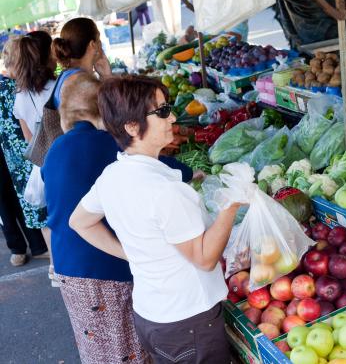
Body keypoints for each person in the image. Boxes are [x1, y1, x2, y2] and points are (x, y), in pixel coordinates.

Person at [70, 75, 240, 364]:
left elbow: (80, 221)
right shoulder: (164, 191)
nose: (172, 116)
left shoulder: (112, 176)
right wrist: (232, 202)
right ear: (132, 126)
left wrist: (133, 254)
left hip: (152, 316)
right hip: (188, 322)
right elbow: (204, 258)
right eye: (161, 111)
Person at [42, 73, 198, 363]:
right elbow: (163, 165)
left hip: (66, 265)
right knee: (125, 348)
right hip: (102, 266)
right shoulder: (105, 144)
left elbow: (51, 208)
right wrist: (129, 253)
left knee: (96, 345)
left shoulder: (56, 149)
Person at [11, 30, 57, 275]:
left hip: (42, 163)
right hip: (66, 159)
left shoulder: (20, 96)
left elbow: (29, 139)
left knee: (47, 215)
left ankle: (54, 266)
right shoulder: (58, 87)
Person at [0, 37, 48, 266]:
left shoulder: (16, 86)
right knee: (7, 198)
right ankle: (18, 247)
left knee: (30, 195)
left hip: (23, 150)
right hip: (17, 150)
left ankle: (39, 246)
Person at [51, 17, 112, 112]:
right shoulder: (84, 84)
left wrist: (105, 76)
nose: (101, 43)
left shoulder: (66, 75)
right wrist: (107, 77)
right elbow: (114, 115)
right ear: (93, 45)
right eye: (98, 38)